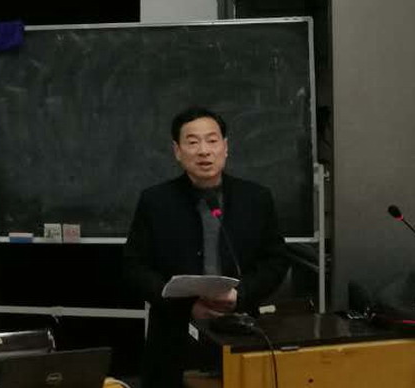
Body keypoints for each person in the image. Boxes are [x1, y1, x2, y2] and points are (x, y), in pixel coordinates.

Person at [123, 107, 290, 388]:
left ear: (225, 147)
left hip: (240, 330)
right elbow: (134, 266)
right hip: (173, 336)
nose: (204, 151)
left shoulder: (256, 198)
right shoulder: (155, 201)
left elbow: (276, 260)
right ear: (177, 151)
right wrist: (186, 305)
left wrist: (240, 294)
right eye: (192, 142)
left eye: (212, 141)